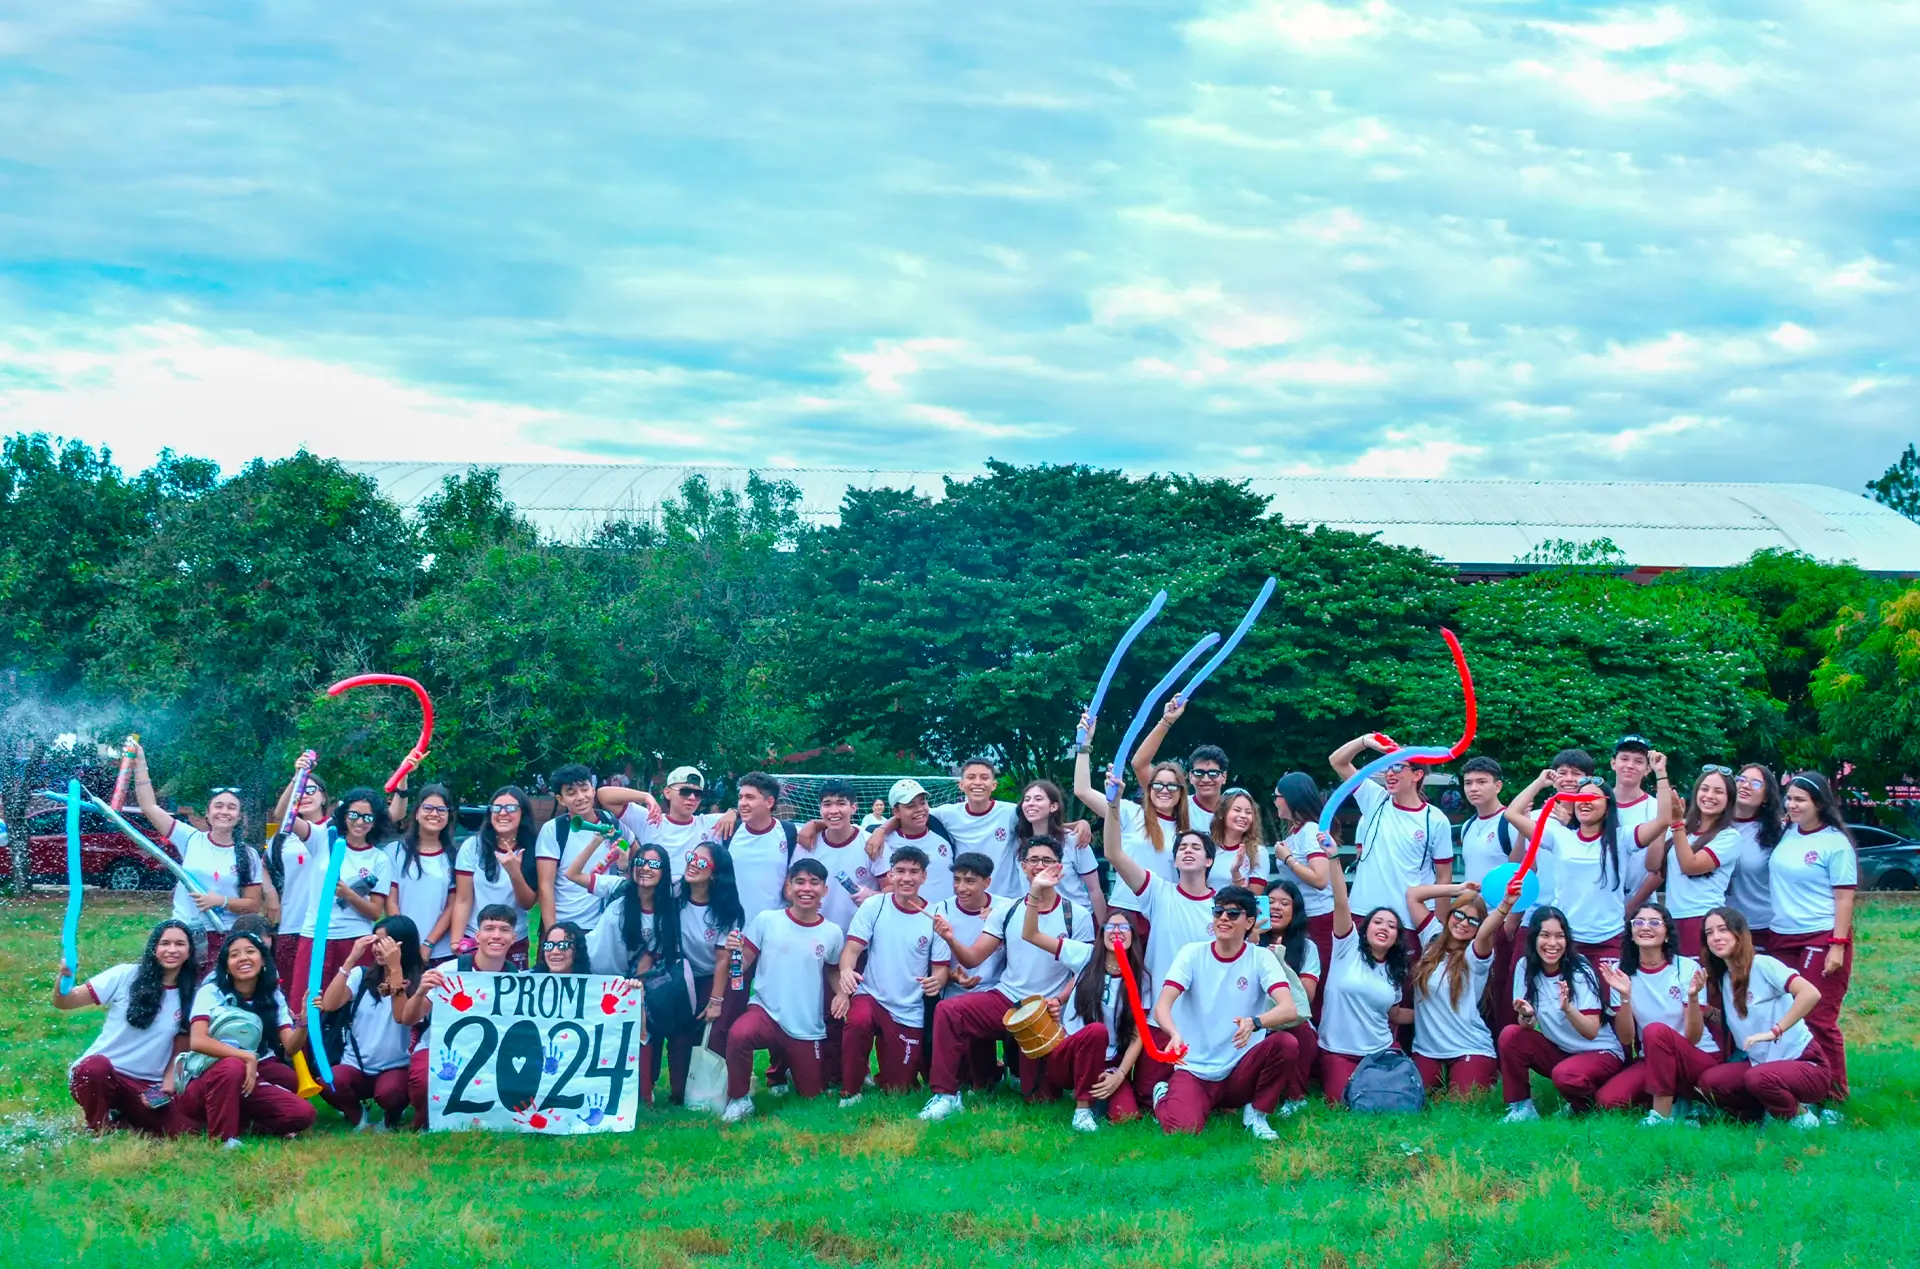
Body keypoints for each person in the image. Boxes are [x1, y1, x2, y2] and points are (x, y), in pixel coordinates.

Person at [923, 835, 1094, 1121]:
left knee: (1041, 1099)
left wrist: (1060, 999)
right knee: (949, 1010)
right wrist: (951, 939)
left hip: (1046, 1009)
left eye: (1047, 860)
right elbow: (973, 958)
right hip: (1007, 998)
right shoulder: (1007, 910)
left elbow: (1084, 970)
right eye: (1033, 860)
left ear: (1059, 867)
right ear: (1022, 865)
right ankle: (946, 1095)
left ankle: (1017, 1075)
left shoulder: (1076, 914)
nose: (1039, 865)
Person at [1149, 884, 1300, 1140]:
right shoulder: (1192, 953)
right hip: (1195, 1068)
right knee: (1183, 1130)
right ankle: (1164, 1095)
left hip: (1239, 1068)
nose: (1223, 918)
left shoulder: (1261, 957)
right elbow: (1162, 1006)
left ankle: (1257, 1113)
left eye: (1233, 913)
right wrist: (1173, 1033)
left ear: (1249, 922)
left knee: (1286, 1043)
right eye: (1218, 912)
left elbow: (1289, 1008)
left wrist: (1254, 1022)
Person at [1502, 757, 1673, 963]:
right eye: (1581, 797)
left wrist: (1661, 773)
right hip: (1565, 939)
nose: (1585, 802)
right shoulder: (1559, 837)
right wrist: (1539, 782)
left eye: (1593, 797)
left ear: (1608, 807)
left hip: (1609, 939)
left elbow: (1663, 820)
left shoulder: (1623, 838)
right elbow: (1512, 814)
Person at [719, 858, 847, 1122]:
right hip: (766, 1011)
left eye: (814, 883)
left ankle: (789, 1067)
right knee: (740, 1034)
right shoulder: (767, 920)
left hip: (805, 1024)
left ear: (825, 890)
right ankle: (739, 1099)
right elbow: (743, 963)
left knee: (811, 1096)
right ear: (789, 887)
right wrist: (732, 953)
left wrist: (843, 994)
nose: (806, 888)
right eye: (799, 882)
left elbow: (834, 971)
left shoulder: (832, 932)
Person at [1018, 887, 1148, 1132]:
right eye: (1110, 927)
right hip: (1069, 1053)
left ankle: (1095, 1093)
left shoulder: (1141, 978)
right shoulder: (1086, 955)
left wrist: (1119, 1075)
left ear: (1133, 935)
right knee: (1096, 1031)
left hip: (1107, 1062)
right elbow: (1031, 934)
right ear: (1102, 933)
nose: (1116, 931)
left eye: (1123, 927)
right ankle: (1082, 1110)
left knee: (1126, 1116)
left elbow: (1137, 1036)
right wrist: (1036, 892)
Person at [169, 930, 316, 1144]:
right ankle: (224, 1138)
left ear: (263, 960)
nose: (243, 958)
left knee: (302, 1112)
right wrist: (246, 1057)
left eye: (250, 952)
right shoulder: (211, 992)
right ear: (226, 965)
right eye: (234, 955)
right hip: (209, 1072)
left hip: (254, 1070)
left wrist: (303, 1022)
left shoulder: (272, 994)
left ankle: (242, 1120)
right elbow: (198, 1041)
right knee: (233, 1066)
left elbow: (291, 1048)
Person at [57, 918, 198, 1135]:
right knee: (94, 1067)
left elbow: (179, 1053)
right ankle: (99, 1130)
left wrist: (164, 1090)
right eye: (165, 943)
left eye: (180, 944)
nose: (172, 950)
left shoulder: (191, 994)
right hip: (102, 1075)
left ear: (189, 951)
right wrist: (63, 979)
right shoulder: (125, 975)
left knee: (184, 1131)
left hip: (145, 1085)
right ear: (154, 948)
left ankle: (122, 1118)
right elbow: (65, 1002)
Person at [128, 742, 264, 965]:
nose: (224, 812)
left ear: (239, 817)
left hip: (224, 935)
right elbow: (149, 807)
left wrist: (220, 901)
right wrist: (140, 762)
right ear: (208, 814)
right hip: (184, 932)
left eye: (231, 808)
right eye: (218, 806)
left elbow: (253, 905)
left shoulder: (248, 854)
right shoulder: (190, 838)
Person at [1690, 906, 1826, 1127]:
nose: (1716, 937)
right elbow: (1744, 1018)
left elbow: (1810, 993)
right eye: (1709, 933)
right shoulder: (1725, 979)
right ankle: (1762, 1116)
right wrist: (1698, 1004)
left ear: (1740, 933)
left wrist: (1775, 1031)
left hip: (1803, 1061)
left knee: (1759, 1078)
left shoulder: (1763, 965)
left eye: (1723, 929)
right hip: (1759, 1064)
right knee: (1710, 1082)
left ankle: (1802, 1118)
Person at [1767, 772, 1856, 1102]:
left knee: (1818, 1017)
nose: (1792, 805)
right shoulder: (1787, 832)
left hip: (1820, 935)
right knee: (1783, 1014)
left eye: (1800, 800)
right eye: (1789, 798)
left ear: (1819, 803)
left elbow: (1844, 898)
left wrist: (1837, 945)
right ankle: (1796, 1086)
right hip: (1781, 936)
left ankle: (1834, 1095)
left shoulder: (1835, 843)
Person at [1100, 764, 1221, 1005]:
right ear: (1173, 859)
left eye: (1195, 847)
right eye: (1182, 848)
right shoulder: (1158, 892)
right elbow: (1113, 853)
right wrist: (1113, 803)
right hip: (1156, 1010)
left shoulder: (1220, 907)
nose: (1188, 851)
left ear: (1209, 860)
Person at [835, 846, 949, 1102]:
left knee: (897, 1090)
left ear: (924, 877)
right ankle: (851, 1091)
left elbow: (941, 970)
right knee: (858, 1022)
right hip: (872, 995)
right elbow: (852, 948)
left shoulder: (935, 916)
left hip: (908, 1008)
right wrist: (846, 971)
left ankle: (891, 1076)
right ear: (891, 875)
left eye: (914, 872)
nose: (906, 878)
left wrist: (936, 982)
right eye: (900, 871)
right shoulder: (874, 905)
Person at [1497, 906, 1624, 1121]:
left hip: (1599, 1051)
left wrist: (1568, 1008)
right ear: (1534, 938)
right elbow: (1527, 1024)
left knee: (1565, 1075)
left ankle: (1582, 1105)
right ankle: (1522, 1109)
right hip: (1562, 1050)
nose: (1552, 943)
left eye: (1559, 936)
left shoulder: (1579, 970)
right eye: (1545, 935)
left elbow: (1592, 1031)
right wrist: (1527, 1015)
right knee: (1511, 1035)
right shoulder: (1525, 966)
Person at [401, 903, 521, 1126]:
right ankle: (424, 1122)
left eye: (504, 930)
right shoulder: (448, 971)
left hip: (490, 1052)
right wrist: (420, 992)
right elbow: (408, 1019)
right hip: (441, 1048)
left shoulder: (519, 979)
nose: (496, 935)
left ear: (513, 938)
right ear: (477, 936)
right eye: (489, 928)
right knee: (425, 1081)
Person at [1595, 902, 1716, 1119]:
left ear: (1667, 934)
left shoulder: (1686, 967)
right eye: (1639, 922)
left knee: (1655, 1031)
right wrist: (1624, 995)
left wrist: (1692, 997)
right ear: (1631, 933)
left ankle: (1661, 1116)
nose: (1645, 927)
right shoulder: (1620, 971)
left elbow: (1693, 1037)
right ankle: (1679, 1098)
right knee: (1609, 1101)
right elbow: (1627, 1038)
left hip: (1695, 1054)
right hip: (1651, 1058)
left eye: (1654, 922)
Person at [1315, 831, 1411, 1105]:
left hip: (1380, 1051)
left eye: (1392, 926)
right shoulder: (1346, 948)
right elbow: (1340, 902)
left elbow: (1394, 1014)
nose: (1384, 928)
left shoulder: (1394, 972)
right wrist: (1334, 858)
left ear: (1396, 938)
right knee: (1343, 1101)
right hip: (1338, 1051)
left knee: (1391, 1101)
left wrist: (1434, 1014)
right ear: (1365, 928)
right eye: (1378, 922)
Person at [1073, 714, 1189, 931]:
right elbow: (1083, 791)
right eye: (1157, 785)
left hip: (1166, 914)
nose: (1164, 791)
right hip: (1125, 913)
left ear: (1181, 791)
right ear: (1149, 788)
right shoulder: (1129, 812)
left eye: (1172, 786)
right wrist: (1084, 746)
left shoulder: (1188, 830)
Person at [1327, 733, 1454, 931]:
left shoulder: (1435, 819)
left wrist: (1439, 929)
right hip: (1364, 913)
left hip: (1408, 920)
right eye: (1386, 767)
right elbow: (1337, 761)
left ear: (1417, 775)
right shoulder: (1374, 799)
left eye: (1397, 767)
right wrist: (1365, 741)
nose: (1389, 774)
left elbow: (1444, 877)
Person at [290, 789, 397, 1012]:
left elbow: (375, 912)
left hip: (355, 940)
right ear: (344, 814)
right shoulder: (322, 839)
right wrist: (298, 779)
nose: (360, 822)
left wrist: (349, 894)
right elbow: (287, 817)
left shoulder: (379, 859)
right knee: (306, 1005)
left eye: (368, 817)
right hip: (315, 935)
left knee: (347, 1009)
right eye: (354, 815)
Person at [317, 915, 424, 1131]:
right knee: (329, 1081)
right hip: (355, 1063)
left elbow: (401, 1016)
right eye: (375, 941)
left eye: (384, 943)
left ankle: (391, 1117)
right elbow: (329, 1004)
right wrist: (351, 959)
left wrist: (395, 969)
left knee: (391, 1093)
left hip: (395, 1065)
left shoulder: (420, 982)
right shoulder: (362, 975)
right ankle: (358, 1119)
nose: (377, 949)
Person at [1405, 880, 1504, 1096]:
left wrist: (1505, 905)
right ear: (1450, 914)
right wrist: (1458, 889)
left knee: (1462, 1106)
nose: (1463, 923)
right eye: (1459, 915)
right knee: (1416, 1101)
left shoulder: (1476, 956)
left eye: (1473, 921)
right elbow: (1413, 895)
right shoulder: (1432, 937)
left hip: (1469, 1046)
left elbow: (1485, 933)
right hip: (1427, 1050)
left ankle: (1484, 1074)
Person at [928, 852, 1009, 1091]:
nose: (961, 888)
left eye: (970, 881)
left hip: (998, 991)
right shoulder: (942, 910)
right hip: (955, 992)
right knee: (967, 1078)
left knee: (984, 1078)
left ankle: (1009, 1068)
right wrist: (953, 976)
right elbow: (939, 963)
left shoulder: (1005, 908)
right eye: (957, 880)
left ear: (987, 882)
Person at [1647, 768, 1738, 956]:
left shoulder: (1729, 836)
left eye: (1718, 791)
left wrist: (1676, 824)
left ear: (1729, 799)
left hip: (1703, 919)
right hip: (1672, 918)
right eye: (1704, 789)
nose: (1709, 796)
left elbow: (1690, 866)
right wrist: (1664, 820)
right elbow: (1652, 865)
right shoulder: (1682, 828)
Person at [449, 786, 538, 964]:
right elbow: (463, 899)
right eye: (496, 808)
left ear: (523, 813)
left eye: (511, 808)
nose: (503, 813)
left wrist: (514, 872)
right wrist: (455, 942)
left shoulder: (532, 848)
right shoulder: (473, 846)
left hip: (514, 938)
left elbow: (528, 904)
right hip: (476, 937)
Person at [1256, 877, 1320, 1115]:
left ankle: (1295, 1097)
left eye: (1284, 903)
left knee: (1302, 1031)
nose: (1276, 907)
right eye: (1270, 901)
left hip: (1289, 1018)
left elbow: (1306, 998)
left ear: (1295, 911)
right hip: (1253, 1015)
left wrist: (1280, 964)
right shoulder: (1247, 941)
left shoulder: (1307, 947)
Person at [535, 763, 620, 935]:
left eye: (584, 789)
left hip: (603, 926)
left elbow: (632, 849)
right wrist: (552, 933)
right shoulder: (553, 829)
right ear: (560, 799)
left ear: (593, 790)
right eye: (571, 792)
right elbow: (545, 886)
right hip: (565, 924)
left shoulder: (609, 820)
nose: (580, 797)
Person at [1007, 778, 1105, 927]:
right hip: (1034, 921)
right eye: (1027, 799)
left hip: (1075, 922)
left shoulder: (1074, 840)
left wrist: (1103, 928)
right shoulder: (1017, 842)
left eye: (1038, 799)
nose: (1031, 803)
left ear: (1053, 806)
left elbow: (1094, 890)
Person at [576, 841, 680, 978]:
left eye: (654, 864)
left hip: (615, 980)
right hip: (582, 966)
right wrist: (597, 839)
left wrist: (636, 985)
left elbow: (646, 961)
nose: (645, 868)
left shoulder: (662, 917)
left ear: (664, 872)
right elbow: (573, 874)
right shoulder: (618, 886)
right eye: (640, 862)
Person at [268, 765, 328, 990]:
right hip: (291, 923)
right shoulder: (284, 836)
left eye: (310, 790)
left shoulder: (336, 829)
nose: (304, 796)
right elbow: (264, 864)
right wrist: (270, 892)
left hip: (328, 927)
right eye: (299, 792)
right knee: (290, 992)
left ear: (324, 797)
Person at [1270, 773, 1334, 979]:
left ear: (1290, 798)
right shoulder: (1296, 832)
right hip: (1300, 918)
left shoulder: (1311, 831)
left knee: (1315, 978)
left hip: (1319, 919)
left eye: (1277, 796)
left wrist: (1287, 858)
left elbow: (1320, 879)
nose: (1274, 801)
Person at [599, 764, 710, 883]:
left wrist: (727, 815)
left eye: (698, 794)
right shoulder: (651, 819)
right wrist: (646, 797)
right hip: (652, 892)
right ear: (667, 792)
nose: (692, 798)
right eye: (685, 791)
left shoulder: (708, 824)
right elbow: (603, 795)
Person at [796, 778, 882, 932]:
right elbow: (788, 887)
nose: (833, 810)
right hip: (814, 935)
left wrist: (873, 896)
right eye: (827, 804)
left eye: (841, 803)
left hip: (861, 937)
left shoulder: (871, 843)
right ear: (820, 808)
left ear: (853, 808)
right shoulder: (806, 843)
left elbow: (892, 888)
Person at [387, 783, 458, 960]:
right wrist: (406, 942)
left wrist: (428, 944)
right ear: (417, 813)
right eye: (428, 808)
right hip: (401, 947)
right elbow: (391, 902)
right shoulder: (394, 851)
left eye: (441, 810)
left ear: (449, 816)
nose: (434, 814)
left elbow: (452, 906)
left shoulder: (455, 856)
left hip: (440, 951)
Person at [1131, 697, 1231, 819]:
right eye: (1199, 773)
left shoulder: (1236, 814)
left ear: (1224, 776)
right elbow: (1139, 765)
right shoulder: (1177, 805)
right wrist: (1167, 721)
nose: (1206, 779)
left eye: (1213, 773)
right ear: (1190, 776)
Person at [862, 779, 959, 904]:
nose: (919, 809)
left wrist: (882, 829)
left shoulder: (942, 828)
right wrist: (880, 831)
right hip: (905, 914)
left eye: (923, 802)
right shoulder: (882, 843)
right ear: (896, 812)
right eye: (910, 806)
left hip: (945, 914)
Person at [725, 772, 800, 926]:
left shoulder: (789, 832)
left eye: (750, 797)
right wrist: (731, 812)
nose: (742, 803)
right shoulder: (728, 829)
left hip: (774, 928)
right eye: (740, 797)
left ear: (769, 802)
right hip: (733, 928)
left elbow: (830, 830)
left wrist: (816, 825)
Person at [1726, 763, 1785, 947]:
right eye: (1741, 780)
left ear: (1766, 796)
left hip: (1761, 926)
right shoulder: (1712, 826)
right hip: (1720, 924)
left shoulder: (1778, 831)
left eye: (1756, 783)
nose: (1746, 786)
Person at [1210, 788, 1267, 892]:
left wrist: (1236, 873)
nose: (1243, 816)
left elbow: (1254, 896)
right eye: (1237, 810)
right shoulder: (1208, 848)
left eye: (1248, 812)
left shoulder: (1258, 853)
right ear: (1222, 813)